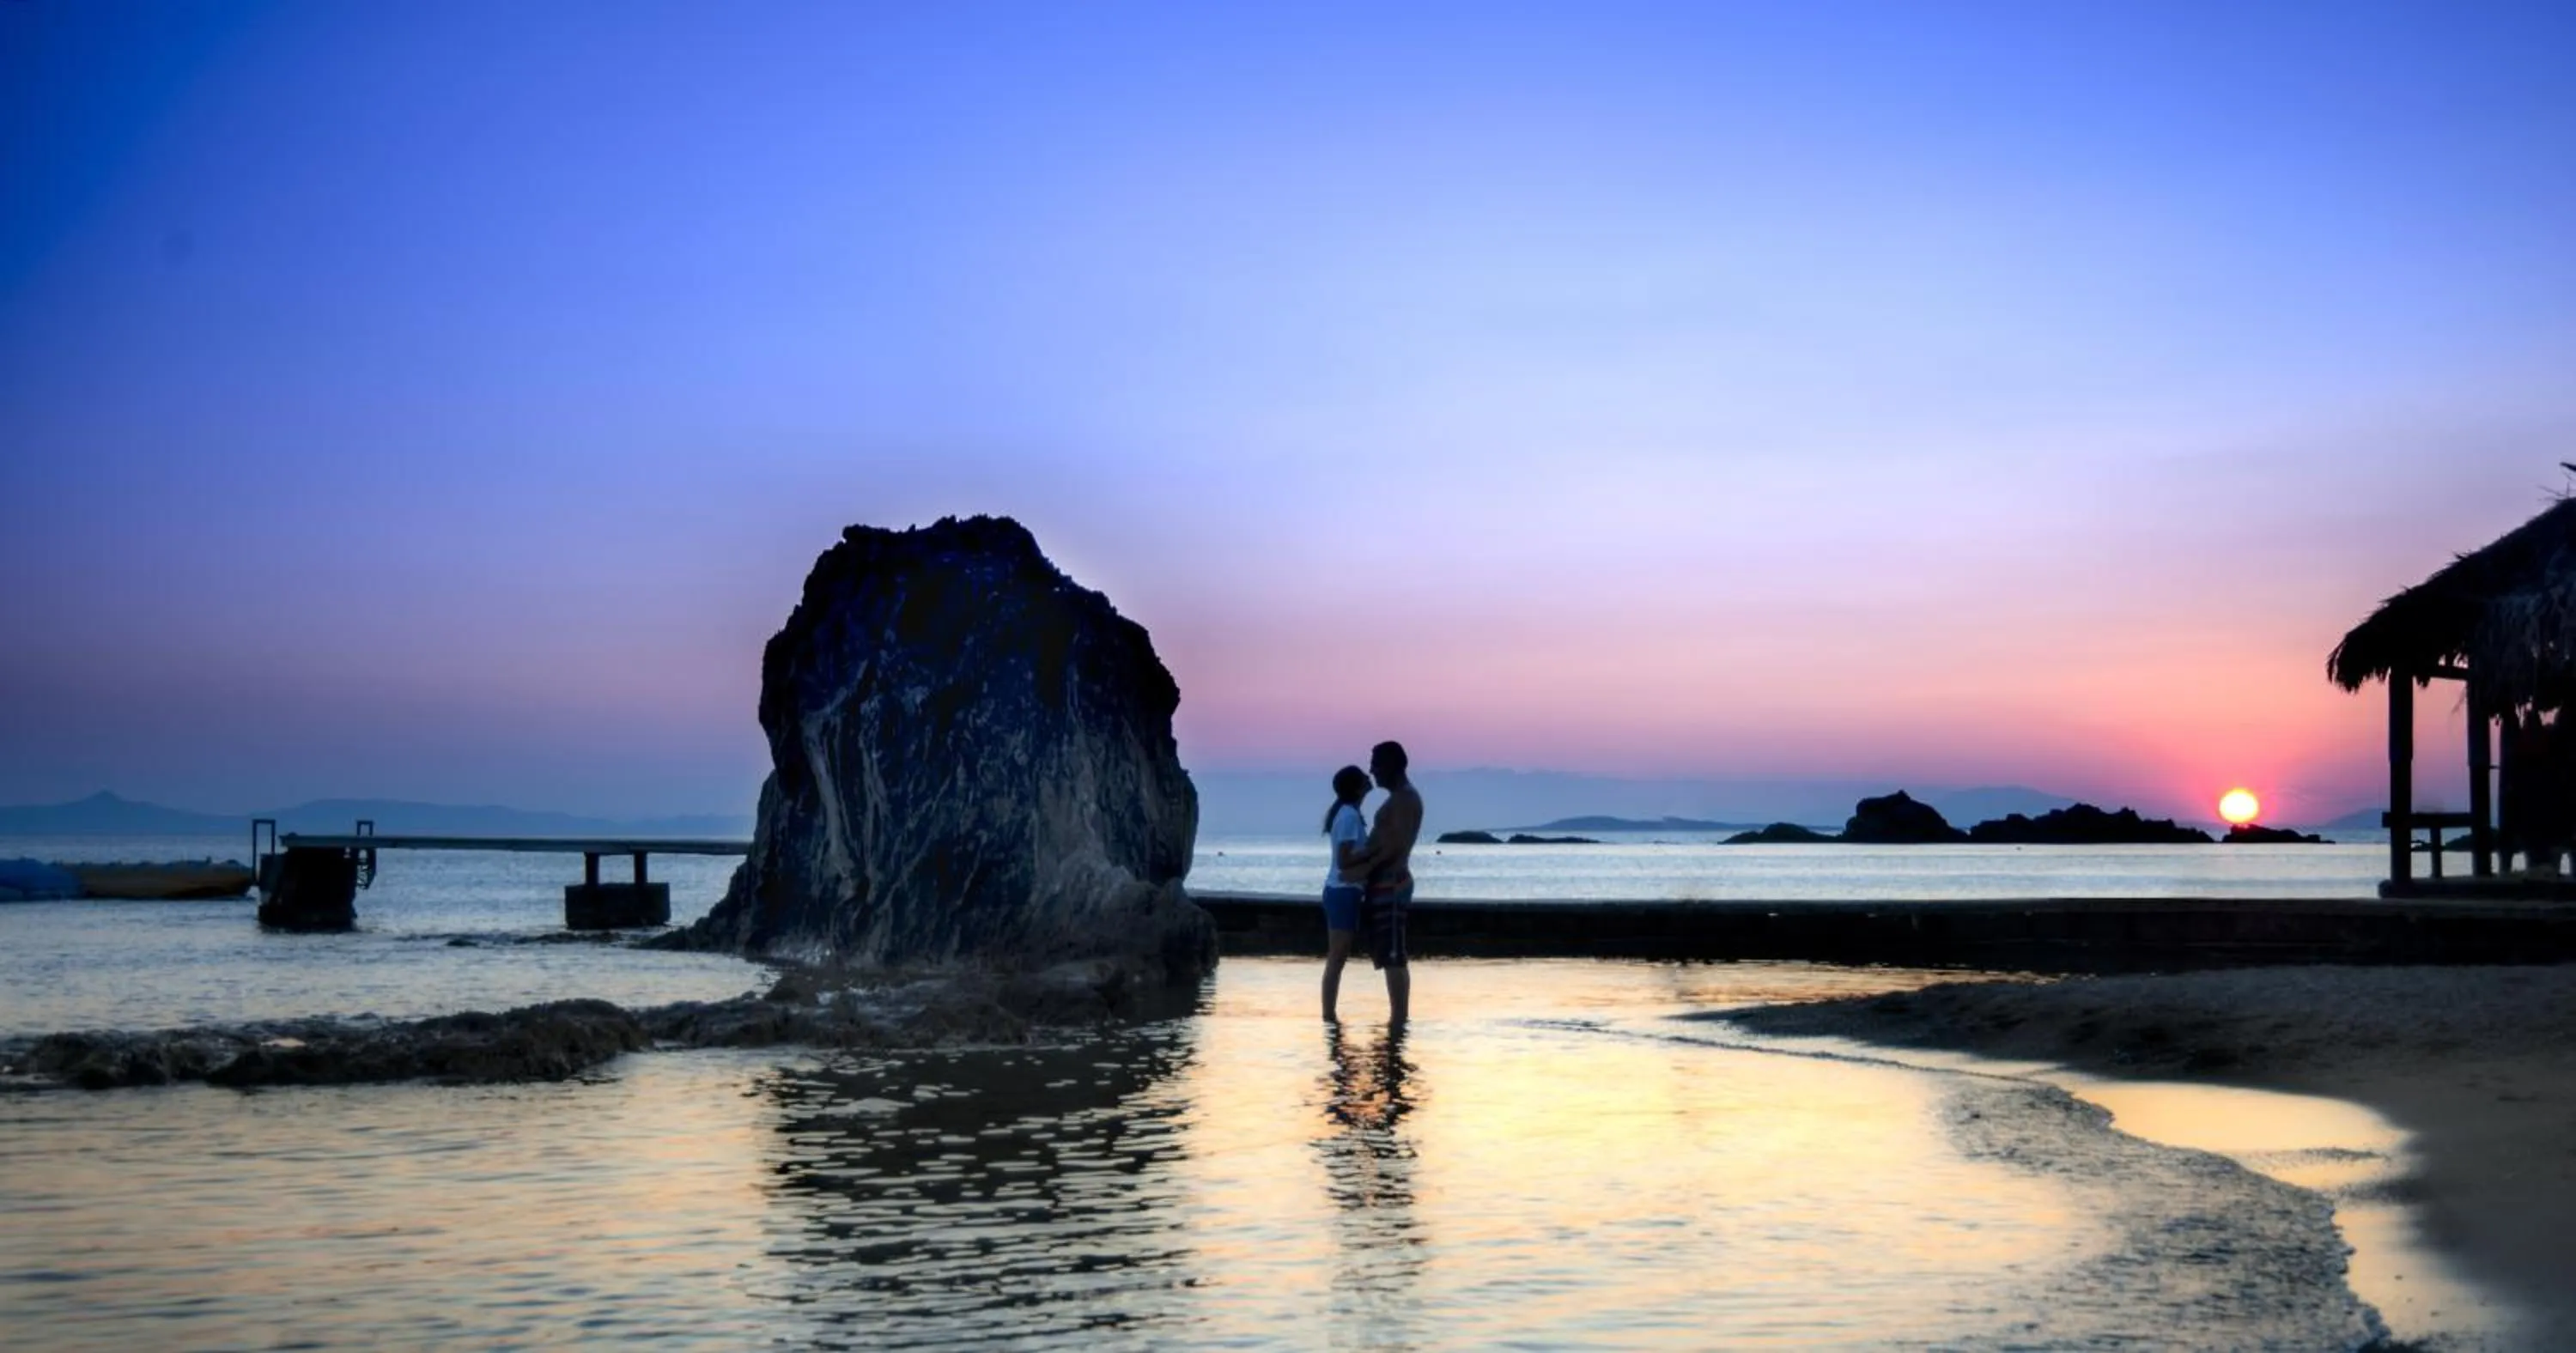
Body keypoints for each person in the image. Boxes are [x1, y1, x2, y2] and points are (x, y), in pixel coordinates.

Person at [1339, 740, 1423, 1027]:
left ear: (1391, 765)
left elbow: (1392, 846)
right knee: (1389, 954)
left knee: (1394, 954)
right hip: (1386, 881)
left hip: (1392, 882)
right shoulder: (1401, 798)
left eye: (1376, 764)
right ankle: (1397, 1019)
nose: (1372, 770)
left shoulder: (1404, 800)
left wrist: (1359, 866)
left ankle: (1399, 1020)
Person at [1321, 764, 1371, 1022]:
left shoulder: (1347, 813)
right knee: (1337, 957)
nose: (1369, 777)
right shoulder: (1349, 816)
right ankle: (1329, 1015)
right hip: (1343, 891)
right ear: (1356, 786)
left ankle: (1330, 1016)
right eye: (1364, 777)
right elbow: (1344, 859)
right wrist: (1375, 852)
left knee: (1337, 957)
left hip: (1340, 891)